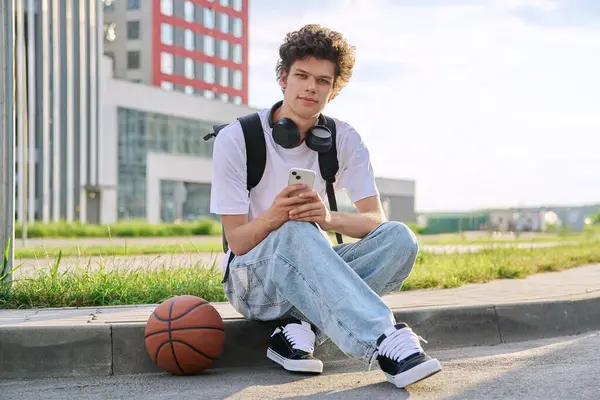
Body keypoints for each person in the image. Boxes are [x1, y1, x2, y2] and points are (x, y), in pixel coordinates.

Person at [209, 24, 441, 389]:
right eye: (301, 76)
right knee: (295, 229)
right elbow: (237, 241)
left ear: (334, 89)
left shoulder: (345, 139)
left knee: (400, 238)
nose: (310, 88)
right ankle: (384, 341)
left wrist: (327, 216)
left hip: (311, 264)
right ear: (283, 78)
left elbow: (374, 221)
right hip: (252, 282)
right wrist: (275, 217)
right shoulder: (237, 138)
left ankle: (296, 331)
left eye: (322, 81)